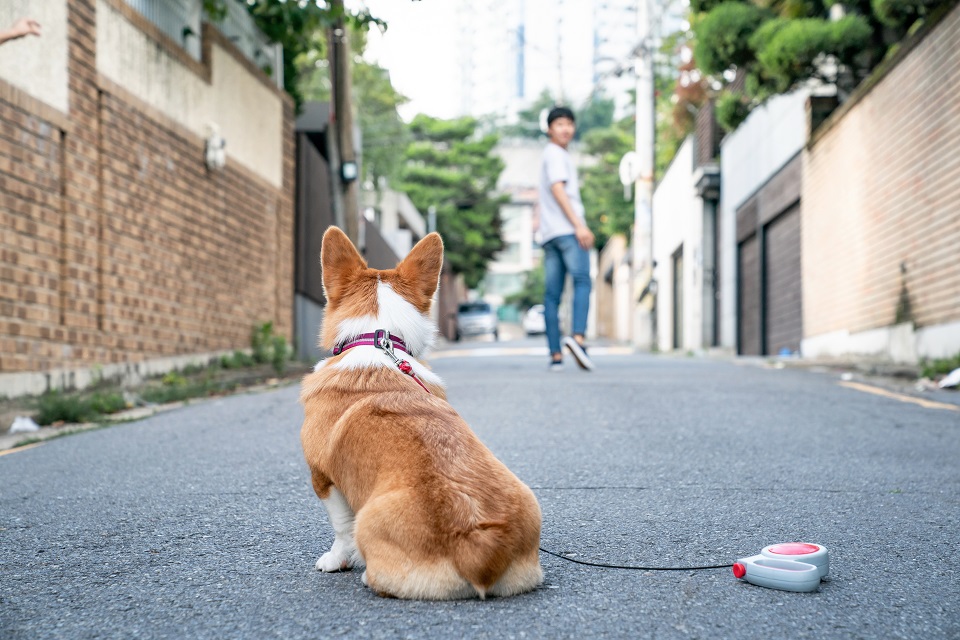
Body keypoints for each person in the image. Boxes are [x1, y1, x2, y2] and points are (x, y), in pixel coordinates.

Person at [538, 106, 595, 372]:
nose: (566, 129)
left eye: (569, 124)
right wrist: (579, 226)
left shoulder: (548, 155)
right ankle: (579, 338)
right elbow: (558, 189)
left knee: (552, 295)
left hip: (549, 234)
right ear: (549, 129)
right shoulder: (557, 154)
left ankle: (555, 355)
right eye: (559, 124)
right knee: (582, 280)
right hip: (567, 231)